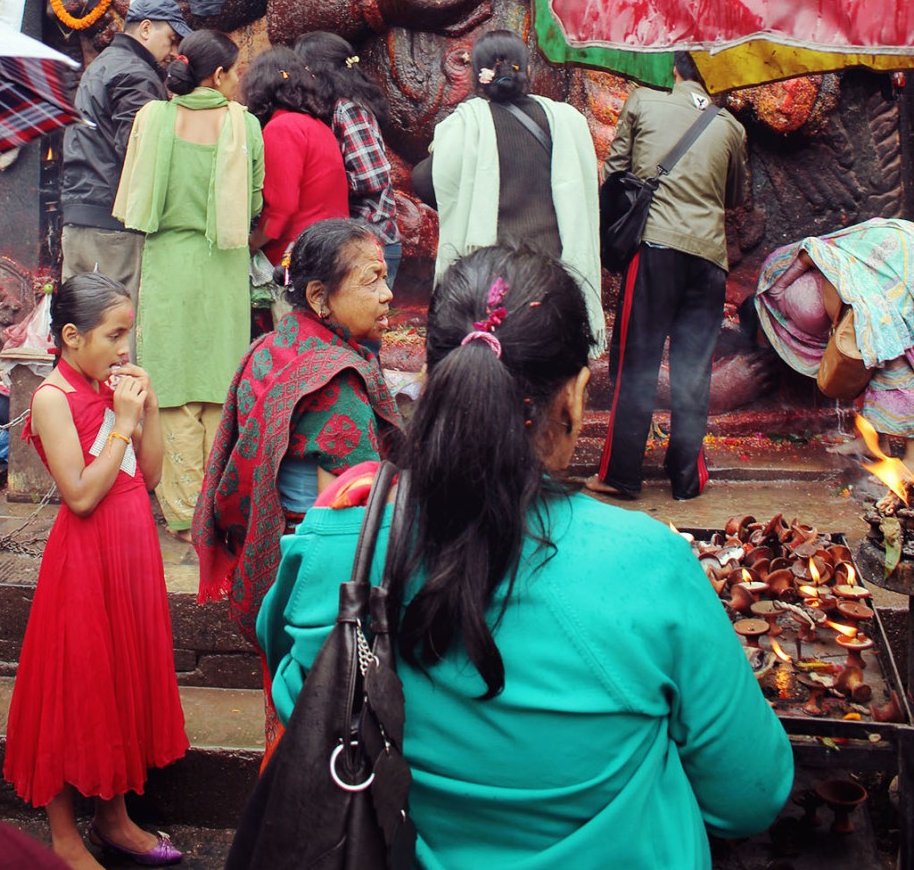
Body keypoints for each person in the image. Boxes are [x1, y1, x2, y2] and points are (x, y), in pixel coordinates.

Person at [257, 243, 793, 869]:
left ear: (433, 384)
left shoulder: (339, 542)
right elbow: (749, 796)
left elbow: (292, 684)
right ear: (573, 398)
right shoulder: (648, 568)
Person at [3, 274, 186, 868]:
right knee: (73, 688)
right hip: (86, 557)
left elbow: (151, 477)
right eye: (115, 334)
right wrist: (123, 422)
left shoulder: (116, 388)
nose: (125, 347)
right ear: (72, 336)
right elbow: (80, 495)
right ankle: (63, 837)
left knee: (121, 682)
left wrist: (148, 406)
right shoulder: (52, 398)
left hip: (133, 549)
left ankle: (115, 819)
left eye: (128, 333)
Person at [193, 219, 401, 659]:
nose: (388, 295)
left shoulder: (269, 347)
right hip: (316, 576)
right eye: (372, 281)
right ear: (319, 298)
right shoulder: (336, 382)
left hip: (272, 562)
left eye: (384, 277)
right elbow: (348, 520)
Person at [113, 28, 264, 537]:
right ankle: (218, 507)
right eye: (236, 70)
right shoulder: (244, 126)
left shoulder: (151, 118)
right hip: (223, 265)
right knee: (220, 382)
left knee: (172, 383)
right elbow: (256, 201)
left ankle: (182, 512)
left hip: (167, 264)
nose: (240, 78)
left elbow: (133, 187)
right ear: (218, 75)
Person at [588, 51, 751, 503]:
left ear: (676, 70)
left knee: (636, 363)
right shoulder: (731, 127)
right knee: (693, 369)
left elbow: (615, 171)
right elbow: (735, 196)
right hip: (709, 259)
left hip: (656, 250)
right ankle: (685, 478)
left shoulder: (642, 102)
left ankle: (621, 476)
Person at [412, 30, 603, 348]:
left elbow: (424, 181)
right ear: (526, 70)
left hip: (494, 275)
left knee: (497, 354)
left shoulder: (466, 125)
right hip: (552, 275)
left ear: (477, 75)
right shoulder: (566, 120)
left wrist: (459, 194)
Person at [59, 0, 185, 312]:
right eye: (170, 39)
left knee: (80, 323)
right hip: (112, 220)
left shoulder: (103, 65)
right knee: (115, 324)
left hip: (80, 213)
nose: (172, 52)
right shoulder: (136, 74)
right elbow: (140, 150)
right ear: (145, 29)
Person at [756, 217, 914, 461]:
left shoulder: (787, 279)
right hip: (868, 282)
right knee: (873, 354)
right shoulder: (783, 303)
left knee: (898, 355)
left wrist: (786, 281)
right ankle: (872, 442)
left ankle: (912, 461)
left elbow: (811, 250)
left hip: (896, 258)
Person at [296, 29, 403, 287]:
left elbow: (373, 177)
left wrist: (324, 180)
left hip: (373, 241)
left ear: (318, 71)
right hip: (359, 241)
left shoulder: (349, 108)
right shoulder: (335, 107)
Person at [242, 47, 350, 277]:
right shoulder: (317, 125)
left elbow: (281, 208)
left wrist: (251, 245)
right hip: (329, 248)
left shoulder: (282, 128)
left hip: (296, 254)